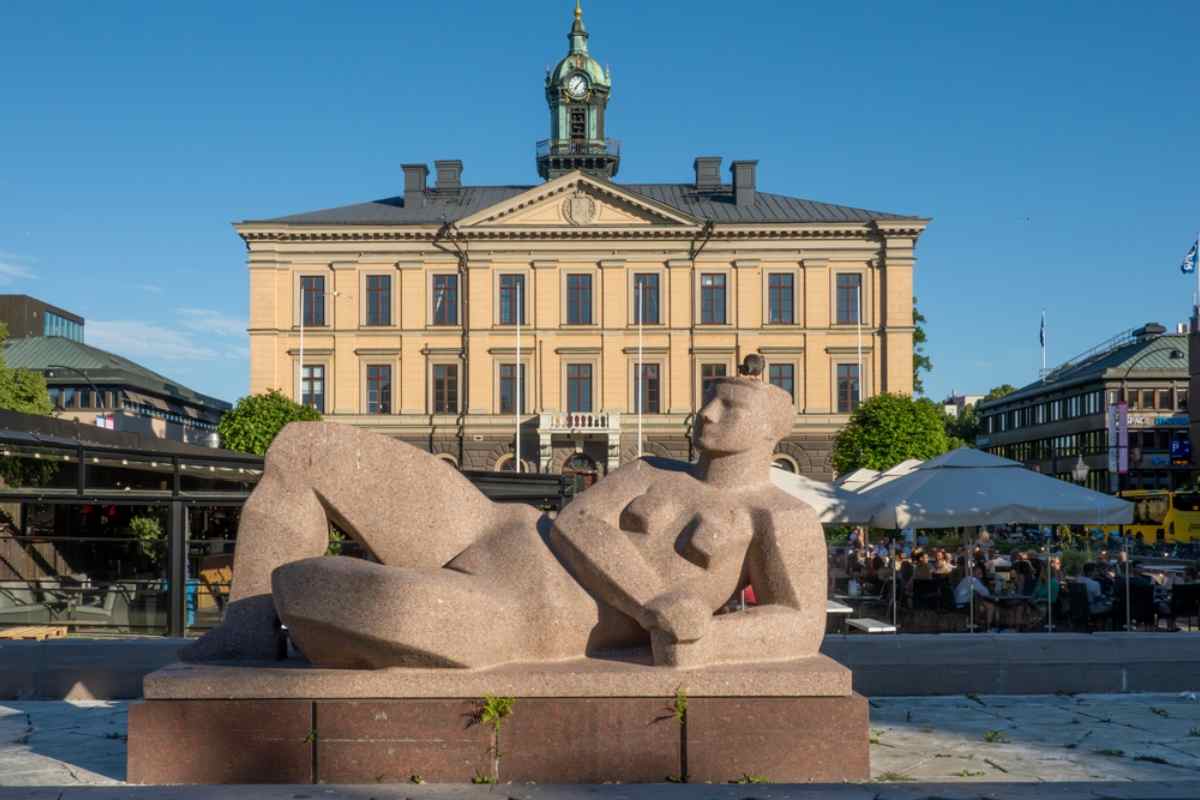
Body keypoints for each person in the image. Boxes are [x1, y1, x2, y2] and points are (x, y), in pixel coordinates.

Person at [182, 369, 826, 670]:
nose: (706, 415)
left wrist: (710, 640)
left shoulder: (780, 517)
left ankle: (319, 618)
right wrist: (656, 599)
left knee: (311, 587)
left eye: (729, 406)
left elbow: (801, 626)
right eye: (708, 400)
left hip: (530, 611)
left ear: (775, 428)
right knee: (302, 446)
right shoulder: (652, 467)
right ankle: (243, 635)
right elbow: (577, 523)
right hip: (492, 526)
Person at [954, 565, 997, 629]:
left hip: (958, 603)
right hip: (963, 605)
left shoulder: (966, 579)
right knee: (990, 606)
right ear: (973, 572)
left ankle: (981, 624)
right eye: (978, 573)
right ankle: (988, 626)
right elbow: (986, 593)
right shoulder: (973, 580)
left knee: (982, 604)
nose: (980, 575)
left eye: (980, 573)